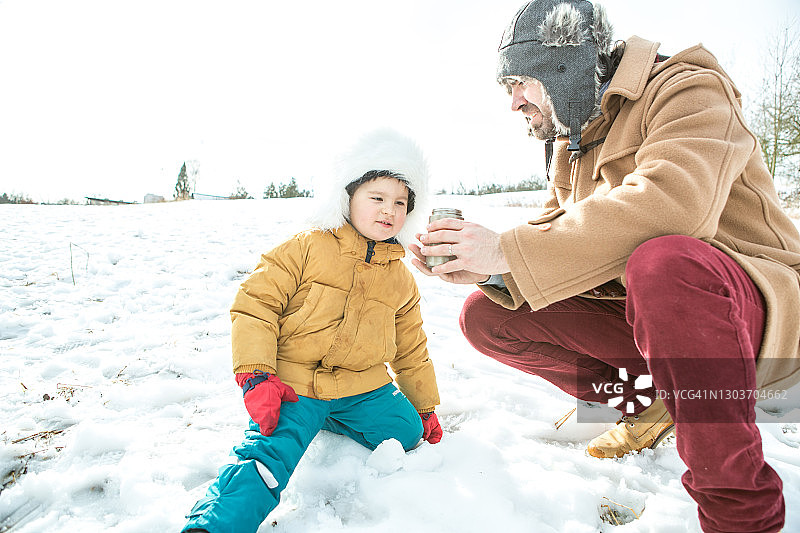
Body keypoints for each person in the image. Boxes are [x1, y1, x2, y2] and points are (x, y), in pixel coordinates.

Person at [411, 1, 798, 532]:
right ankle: (647, 403)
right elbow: (548, 234)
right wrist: (486, 268)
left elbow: (674, 205)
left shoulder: (688, 89)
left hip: (759, 318)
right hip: (661, 324)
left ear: (564, 67)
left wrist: (507, 251)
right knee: (489, 317)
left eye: (520, 82)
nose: (514, 103)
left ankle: (742, 516)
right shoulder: (573, 141)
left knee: (664, 262)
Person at [182, 128, 443, 533]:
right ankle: (214, 524)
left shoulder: (400, 279)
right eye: (376, 197)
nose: (388, 210)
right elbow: (256, 304)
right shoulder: (307, 247)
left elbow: (411, 349)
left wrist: (424, 406)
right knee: (270, 454)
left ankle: (327, 417)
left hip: (362, 386)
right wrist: (257, 373)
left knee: (407, 431)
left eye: (400, 202)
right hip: (296, 382)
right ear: (348, 196)